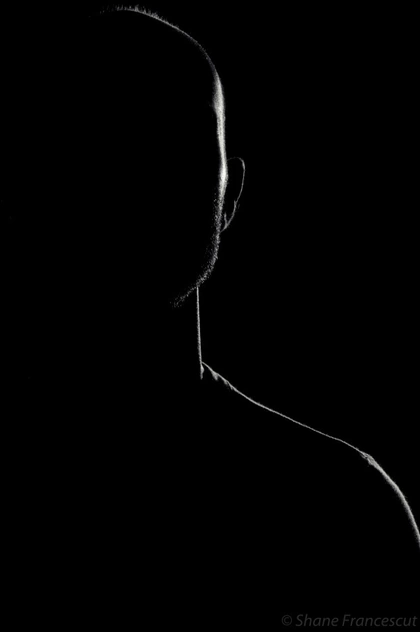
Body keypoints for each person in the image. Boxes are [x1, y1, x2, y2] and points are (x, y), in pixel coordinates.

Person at [3, 6, 419, 625]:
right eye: (96, 135)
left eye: (175, 136)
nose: (135, 171)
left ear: (231, 195)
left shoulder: (341, 513)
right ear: (30, 183)